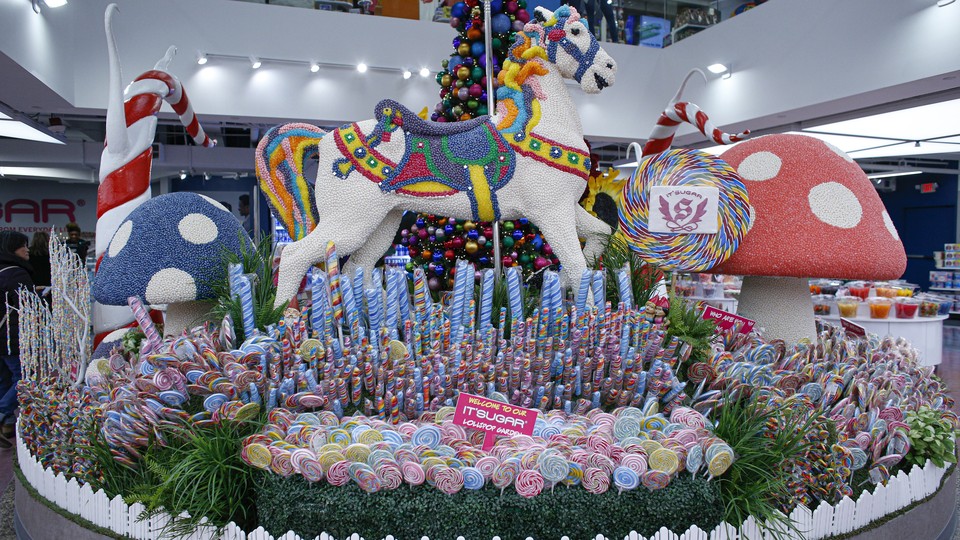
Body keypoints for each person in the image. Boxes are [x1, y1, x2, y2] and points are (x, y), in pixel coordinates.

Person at [0, 231, 33, 447]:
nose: (27, 249)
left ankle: (6, 425)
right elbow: (29, 306)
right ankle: (3, 412)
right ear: (13, 249)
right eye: (23, 246)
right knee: (23, 377)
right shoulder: (17, 274)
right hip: (13, 337)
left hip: (2, 337)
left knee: (3, 379)